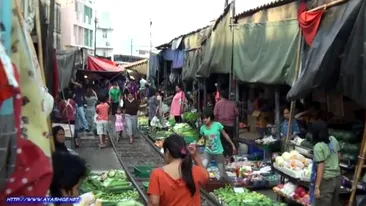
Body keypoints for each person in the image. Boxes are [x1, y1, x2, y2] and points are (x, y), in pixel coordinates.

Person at [147, 134, 209, 206]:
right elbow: (206, 176)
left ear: (167, 151)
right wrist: (195, 157)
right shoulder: (196, 171)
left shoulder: (157, 174)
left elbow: (154, 203)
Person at [308, 120, 341, 206]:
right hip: (337, 179)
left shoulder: (318, 147)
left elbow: (321, 167)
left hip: (326, 182)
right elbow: (339, 156)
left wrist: (317, 187)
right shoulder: (333, 139)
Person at [200, 108, 236, 180]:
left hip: (218, 152)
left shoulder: (218, 125)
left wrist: (233, 145)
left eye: (206, 118)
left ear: (210, 117)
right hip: (208, 152)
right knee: (202, 170)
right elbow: (203, 139)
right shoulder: (202, 128)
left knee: (222, 174)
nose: (205, 120)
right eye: (203, 118)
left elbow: (225, 135)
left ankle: (228, 185)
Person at [213, 90, 239, 157]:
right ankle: (229, 156)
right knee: (230, 140)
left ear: (221, 96)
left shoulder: (218, 103)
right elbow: (237, 113)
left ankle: (224, 156)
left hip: (221, 125)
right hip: (230, 125)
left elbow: (215, 114)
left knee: (222, 141)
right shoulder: (232, 104)